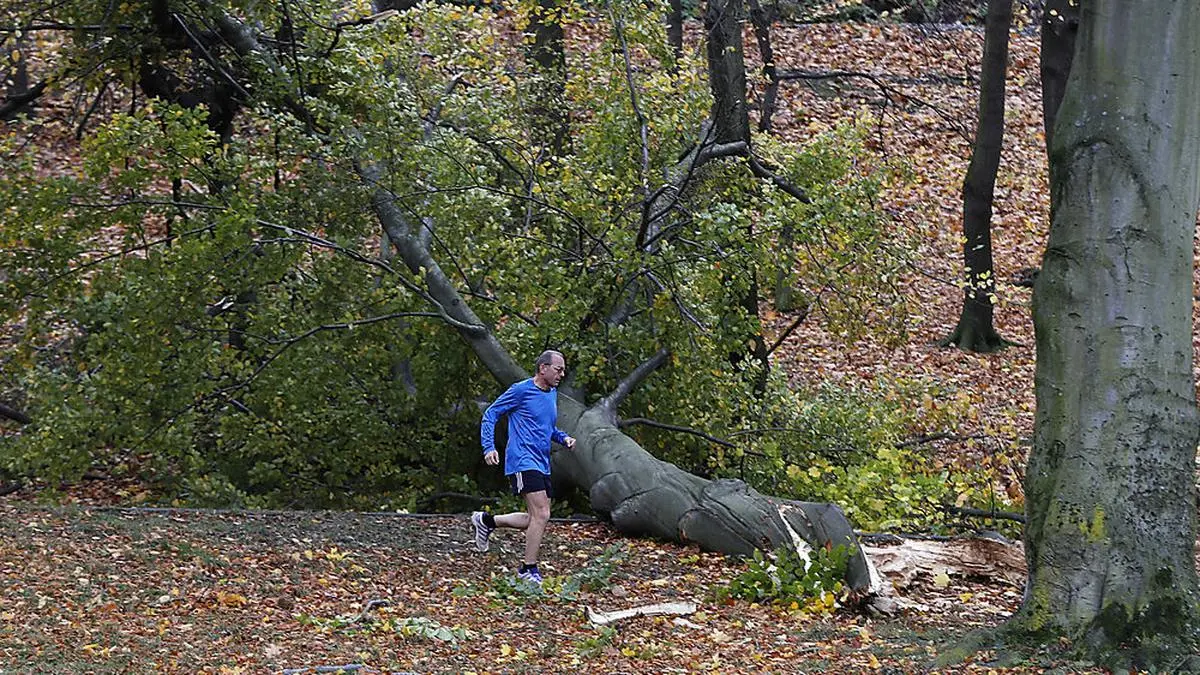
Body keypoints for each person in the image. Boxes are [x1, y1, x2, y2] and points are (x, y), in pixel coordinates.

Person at [471, 350, 576, 584]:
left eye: (563, 370)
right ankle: (527, 569)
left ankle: (486, 522)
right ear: (543, 368)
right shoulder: (521, 390)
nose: (562, 374)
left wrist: (563, 438)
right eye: (558, 369)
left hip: (541, 462)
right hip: (521, 460)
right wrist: (489, 447)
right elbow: (491, 414)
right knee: (542, 514)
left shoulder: (551, 394)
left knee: (535, 519)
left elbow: (546, 428)